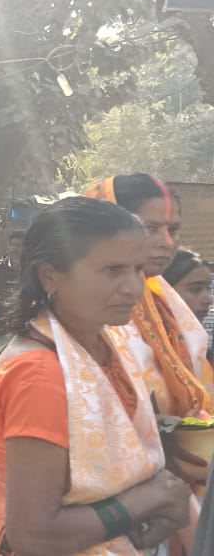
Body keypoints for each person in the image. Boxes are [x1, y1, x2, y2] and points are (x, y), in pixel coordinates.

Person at [0, 196, 191, 555]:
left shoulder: (108, 344)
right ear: (50, 275)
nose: (133, 287)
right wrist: (147, 500)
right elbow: (34, 537)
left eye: (137, 269)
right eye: (112, 270)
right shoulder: (38, 374)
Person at [85, 174, 211, 485]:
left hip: (176, 475)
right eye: (150, 228)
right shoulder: (85, 308)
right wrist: (153, 432)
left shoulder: (167, 304)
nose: (166, 242)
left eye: (173, 230)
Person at [163, 248, 214, 382]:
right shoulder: (143, 351)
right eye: (195, 289)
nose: (208, 300)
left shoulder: (204, 355)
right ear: (162, 291)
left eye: (208, 288)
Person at [0, 231, 25, 334]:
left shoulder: (30, 270)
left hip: (23, 320)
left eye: (19, 245)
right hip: (0, 320)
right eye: (12, 245)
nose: (15, 249)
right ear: (8, 246)